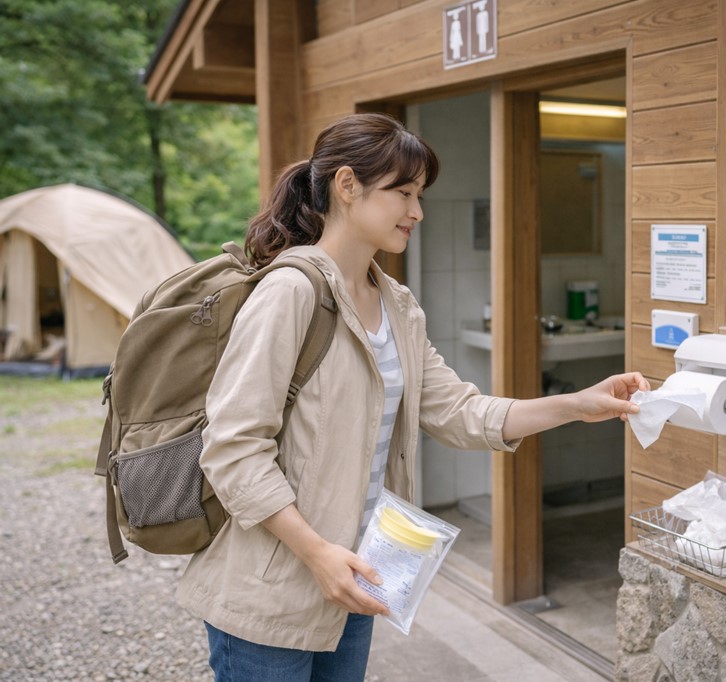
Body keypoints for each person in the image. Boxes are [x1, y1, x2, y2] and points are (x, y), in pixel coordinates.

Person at [175, 112, 649, 681]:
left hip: (357, 572)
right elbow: (232, 448)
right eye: (403, 193)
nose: (417, 212)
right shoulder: (289, 292)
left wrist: (577, 404)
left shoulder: (397, 304)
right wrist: (317, 553)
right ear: (347, 187)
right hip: (272, 585)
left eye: (419, 194)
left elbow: (460, 412)